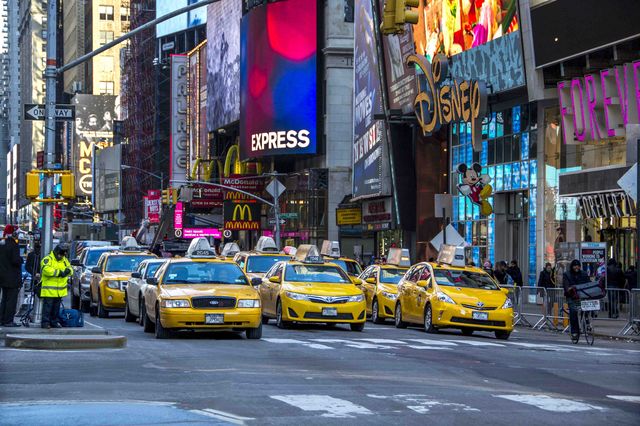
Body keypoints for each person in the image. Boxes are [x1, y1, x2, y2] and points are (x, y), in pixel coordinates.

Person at [40, 244, 72, 329]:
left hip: (59, 291)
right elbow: (46, 270)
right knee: (47, 308)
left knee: (56, 308)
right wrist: (60, 273)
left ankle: (54, 322)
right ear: (56, 252)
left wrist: (67, 272)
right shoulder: (48, 259)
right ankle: (45, 323)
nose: (61, 256)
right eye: (60, 254)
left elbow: (70, 269)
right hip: (49, 290)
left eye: (63, 255)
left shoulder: (64, 260)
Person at [0, 225, 23, 327]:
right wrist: (21, 259)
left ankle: (2, 319)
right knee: (11, 300)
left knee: (4, 299)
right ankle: (9, 320)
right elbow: (15, 261)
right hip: (12, 278)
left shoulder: (2, 244)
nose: (18, 235)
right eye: (17, 233)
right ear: (13, 234)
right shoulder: (13, 245)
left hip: (2, 277)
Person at [562, 259, 590, 340]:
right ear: (572, 266)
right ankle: (575, 332)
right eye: (575, 266)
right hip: (572, 296)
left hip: (582, 296)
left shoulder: (584, 274)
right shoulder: (567, 274)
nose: (576, 267)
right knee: (573, 312)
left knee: (588, 307)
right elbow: (566, 286)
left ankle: (587, 322)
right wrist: (569, 289)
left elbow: (588, 283)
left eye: (578, 266)